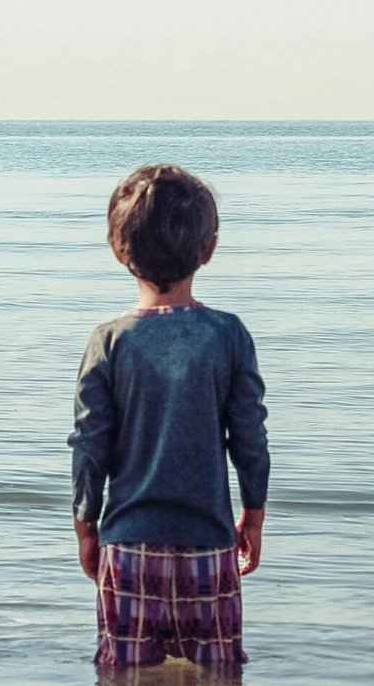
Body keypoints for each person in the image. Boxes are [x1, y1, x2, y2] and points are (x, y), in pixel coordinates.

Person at [70, 163, 269, 671]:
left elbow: (90, 445)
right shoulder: (228, 335)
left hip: (129, 545)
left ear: (119, 250)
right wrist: (254, 514)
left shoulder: (109, 342)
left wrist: (85, 526)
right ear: (209, 248)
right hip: (208, 545)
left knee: (124, 675)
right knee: (221, 674)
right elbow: (249, 439)